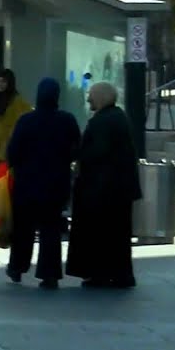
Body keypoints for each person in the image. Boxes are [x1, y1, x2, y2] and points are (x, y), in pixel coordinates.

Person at [5, 78, 81, 289]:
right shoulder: (67, 120)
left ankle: (17, 267)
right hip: (56, 184)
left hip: (27, 184)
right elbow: (77, 149)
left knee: (23, 229)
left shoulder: (26, 120)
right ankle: (50, 274)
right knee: (51, 229)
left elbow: (13, 152)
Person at [65, 82, 141, 289]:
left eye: (91, 95)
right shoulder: (118, 117)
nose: (88, 99)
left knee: (101, 235)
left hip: (104, 190)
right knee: (117, 235)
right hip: (117, 189)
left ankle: (100, 274)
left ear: (101, 98)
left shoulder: (102, 121)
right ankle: (119, 275)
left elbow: (96, 152)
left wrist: (76, 153)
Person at [0, 68, 32, 182]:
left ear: (10, 83)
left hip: (9, 146)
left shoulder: (17, 100)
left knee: (5, 181)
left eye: (4, 81)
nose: (0, 84)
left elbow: (29, 116)